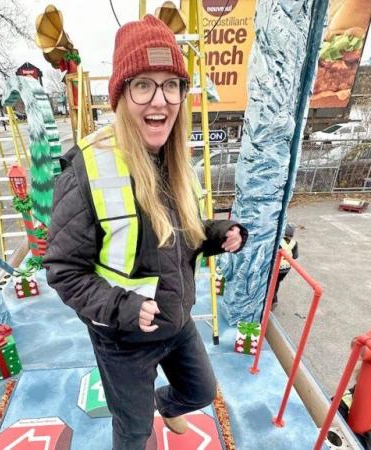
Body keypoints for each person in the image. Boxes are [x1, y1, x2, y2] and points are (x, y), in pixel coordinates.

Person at [44, 15, 248, 450]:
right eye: (143, 84)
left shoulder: (175, 159)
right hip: (121, 338)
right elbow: (63, 270)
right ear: (121, 96)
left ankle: (159, 404)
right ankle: (135, 411)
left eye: (170, 84)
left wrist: (219, 234)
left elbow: (182, 235)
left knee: (200, 392)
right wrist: (122, 307)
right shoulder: (87, 170)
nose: (160, 99)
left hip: (175, 321)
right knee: (134, 433)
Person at [272, 224, 299, 310]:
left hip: (276, 268)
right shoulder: (294, 243)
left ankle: (273, 300)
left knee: (272, 283)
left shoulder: (278, 241)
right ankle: (273, 299)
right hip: (286, 269)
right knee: (277, 282)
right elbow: (295, 256)